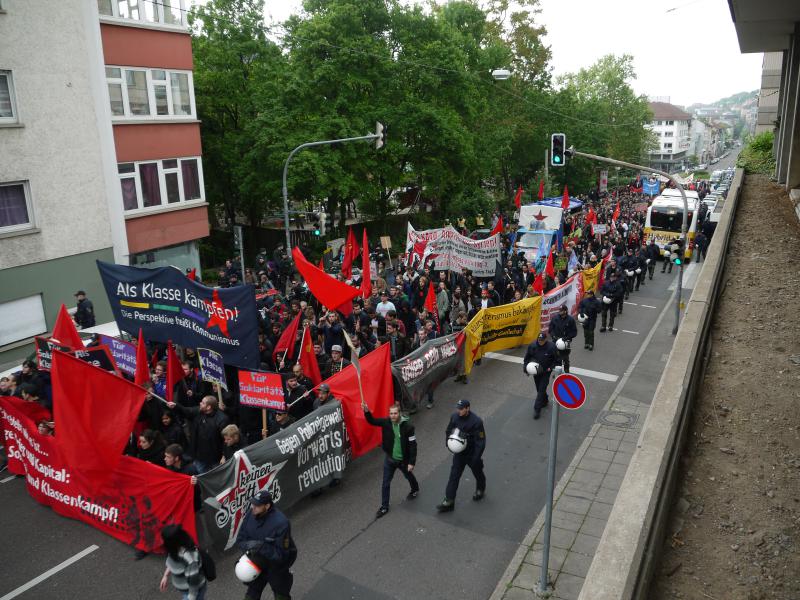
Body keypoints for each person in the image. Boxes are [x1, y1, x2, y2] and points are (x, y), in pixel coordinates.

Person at [362, 400, 419, 518]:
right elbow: (372, 421)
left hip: (403, 460)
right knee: (385, 483)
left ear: (399, 414)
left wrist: (411, 462)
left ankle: (415, 489)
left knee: (408, 475)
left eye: (395, 413)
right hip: (389, 459)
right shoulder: (386, 422)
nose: (392, 416)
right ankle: (384, 507)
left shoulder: (408, 427)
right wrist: (367, 411)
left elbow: (413, 445)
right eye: (391, 413)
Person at [236, 491, 297, 600]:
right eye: (253, 504)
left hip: (276, 567)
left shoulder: (281, 523)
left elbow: (281, 556)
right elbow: (240, 540)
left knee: (281, 596)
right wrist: (248, 549)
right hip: (256, 564)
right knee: (251, 596)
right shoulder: (251, 514)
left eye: (257, 506)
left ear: (267, 506)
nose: (253, 508)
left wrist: (261, 546)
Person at [436, 399, 486, 512]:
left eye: (461, 409)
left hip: (472, 454)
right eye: (458, 408)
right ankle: (449, 501)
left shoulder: (476, 421)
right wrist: (449, 445)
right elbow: (448, 431)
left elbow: (481, 441)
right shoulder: (454, 417)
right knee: (454, 476)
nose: (458, 410)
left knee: (478, 473)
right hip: (459, 454)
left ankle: (480, 489)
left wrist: (476, 458)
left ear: (467, 408)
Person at [168, 396, 230, 473]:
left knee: (215, 478)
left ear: (209, 407)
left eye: (203, 403)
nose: (200, 403)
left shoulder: (222, 419)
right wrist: (176, 406)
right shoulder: (199, 412)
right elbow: (187, 411)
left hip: (215, 457)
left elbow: (226, 439)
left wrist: (224, 455)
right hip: (199, 456)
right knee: (198, 477)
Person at [159, 524, 207, 600]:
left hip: (193, 592)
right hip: (185, 590)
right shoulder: (174, 551)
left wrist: (190, 598)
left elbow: (194, 584)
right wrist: (165, 575)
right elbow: (173, 562)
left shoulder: (190, 560)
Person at [523, 332, 557, 420]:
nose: (540, 342)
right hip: (536, 372)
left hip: (546, 372)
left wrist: (551, 368)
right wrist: (526, 369)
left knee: (541, 389)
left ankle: (537, 410)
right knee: (539, 388)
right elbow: (527, 358)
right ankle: (545, 400)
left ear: (546, 339)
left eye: (542, 340)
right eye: (539, 340)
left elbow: (556, 359)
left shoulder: (551, 347)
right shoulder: (532, 346)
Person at [548, 305, 577, 373]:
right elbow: (550, 329)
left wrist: (566, 338)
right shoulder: (555, 318)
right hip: (556, 341)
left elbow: (574, 332)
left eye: (561, 311)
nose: (560, 312)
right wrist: (553, 336)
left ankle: (567, 371)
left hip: (566, 342)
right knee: (557, 357)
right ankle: (559, 372)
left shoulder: (570, 320)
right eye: (559, 311)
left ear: (565, 311)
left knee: (565, 358)